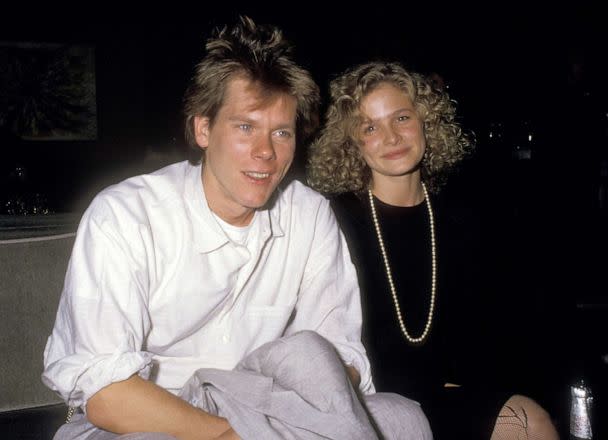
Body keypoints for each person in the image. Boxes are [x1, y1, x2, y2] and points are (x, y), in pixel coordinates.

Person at [41, 18, 431, 440]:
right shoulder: (126, 216)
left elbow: (342, 357)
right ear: (203, 128)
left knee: (402, 418)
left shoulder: (309, 213)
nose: (265, 152)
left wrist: (287, 412)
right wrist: (236, 435)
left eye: (281, 132)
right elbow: (107, 394)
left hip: (262, 401)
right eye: (245, 127)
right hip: (145, 415)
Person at [307, 61, 560, 439]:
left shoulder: (465, 218)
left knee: (531, 423)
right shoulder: (332, 221)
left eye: (402, 118)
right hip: (370, 405)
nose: (391, 137)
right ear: (353, 142)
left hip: (449, 397)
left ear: (427, 121)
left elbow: (495, 332)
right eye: (371, 127)